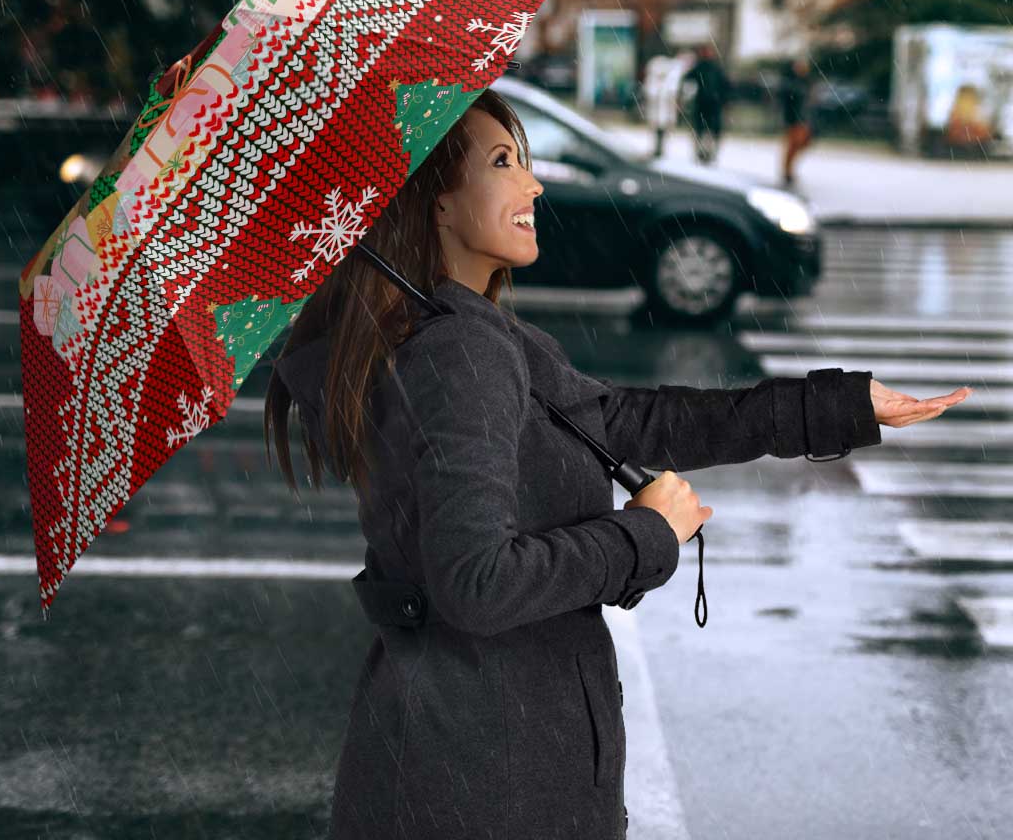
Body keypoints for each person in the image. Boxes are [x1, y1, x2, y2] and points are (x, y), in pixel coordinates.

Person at [265, 88, 909, 840]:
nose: (533, 184)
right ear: (435, 204)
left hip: (468, 758)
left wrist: (838, 407)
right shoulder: (460, 353)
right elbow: (477, 583)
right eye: (503, 162)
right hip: (486, 778)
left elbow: (633, 421)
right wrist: (643, 535)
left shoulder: (469, 335)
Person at [681, 42, 731, 165]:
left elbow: (725, 86)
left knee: (709, 131)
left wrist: (724, 100)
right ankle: (702, 153)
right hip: (704, 104)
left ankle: (708, 153)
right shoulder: (701, 67)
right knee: (702, 130)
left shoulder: (714, 68)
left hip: (712, 104)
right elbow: (687, 80)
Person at [779, 55, 815, 187]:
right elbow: (788, 102)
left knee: (801, 144)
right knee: (793, 145)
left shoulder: (806, 82)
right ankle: (787, 171)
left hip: (803, 119)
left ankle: (789, 170)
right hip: (794, 119)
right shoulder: (791, 83)